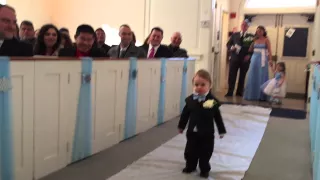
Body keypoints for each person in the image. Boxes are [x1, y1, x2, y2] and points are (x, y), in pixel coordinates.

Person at [178, 69, 226, 178]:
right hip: (192, 133)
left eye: (203, 85)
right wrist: (181, 126)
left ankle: (204, 169)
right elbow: (185, 114)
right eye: (196, 84)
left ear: (209, 86)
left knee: (205, 152)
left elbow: (217, 117)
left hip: (207, 134)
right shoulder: (190, 100)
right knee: (190, 151)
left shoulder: (211, 101)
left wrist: (221, 130)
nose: (199, 87)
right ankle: (190, 165)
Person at [225, 19, 255, 97]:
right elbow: (228, 44)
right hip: (234, 58)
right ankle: (230, 91)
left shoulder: (251, 36)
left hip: (245, 59)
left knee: (242, 76)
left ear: (248, 27)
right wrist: (231, 47)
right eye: (242, 24)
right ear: (241, 26)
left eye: (245, 25)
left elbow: (253, 48)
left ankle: (239, 92)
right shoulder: (235, 35)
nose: (244, 26)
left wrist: (249, 55)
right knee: (232, 75)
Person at [244, 26, 273, 101]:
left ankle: (261, 96)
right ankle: (252, 94)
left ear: (263, 31)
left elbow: (269, 51)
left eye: (260, 31)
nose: (259, 32)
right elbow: (250, 49)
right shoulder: (254, 39)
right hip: (254, 58)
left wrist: (270, 60)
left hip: (263, 59)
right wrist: (250, 45)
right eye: (257, 31)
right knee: (253, 75)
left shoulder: (266, 40)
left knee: (262, 76)